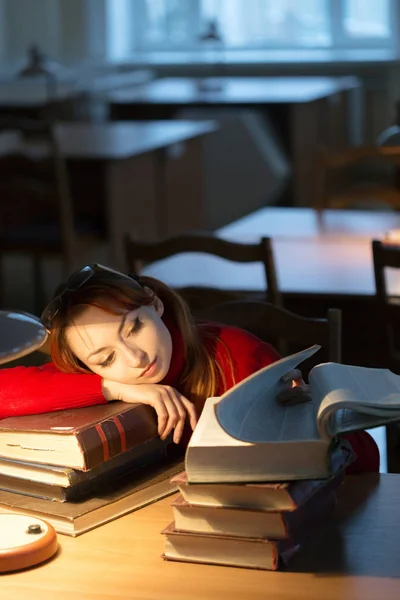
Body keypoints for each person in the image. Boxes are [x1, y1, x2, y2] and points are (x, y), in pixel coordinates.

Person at [0, 264, 379, 472]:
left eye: (135, 327)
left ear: (156, 304)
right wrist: (113, 388)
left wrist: (309, 424)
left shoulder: (234, 352)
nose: (136, 359)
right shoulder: (97, 379)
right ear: (86, 365)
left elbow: (366, 458)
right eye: (106, 359)